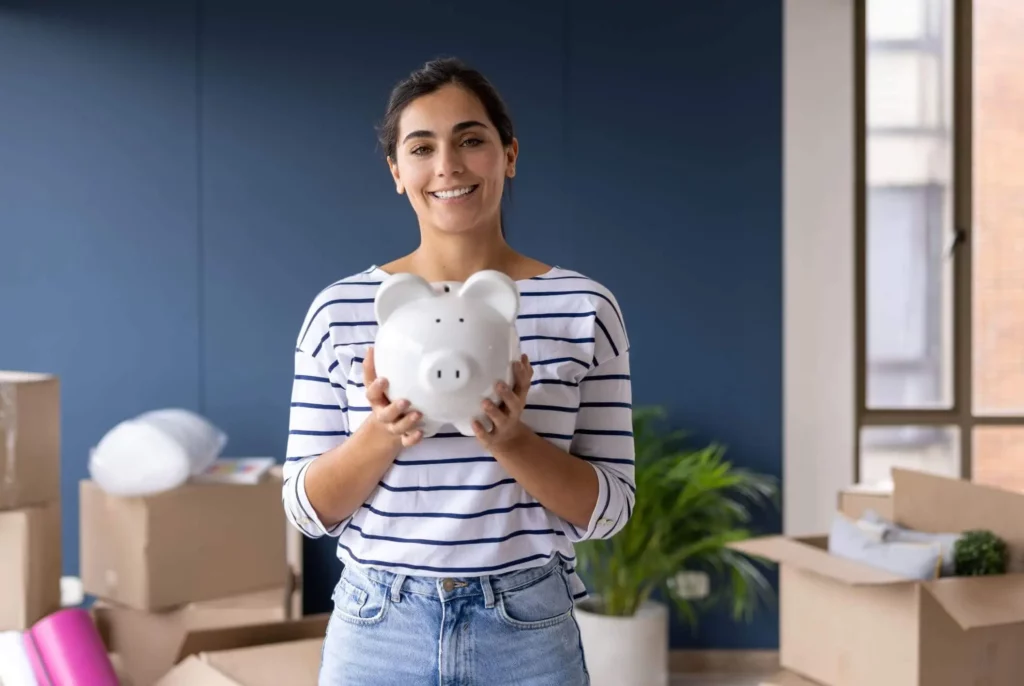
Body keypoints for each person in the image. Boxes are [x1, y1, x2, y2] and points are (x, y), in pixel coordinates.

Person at [282, 57, 635, 686]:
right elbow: (307, 510)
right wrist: (382, 433)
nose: (448, 165)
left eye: (471, 139)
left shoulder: (585, 307)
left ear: (509, 154)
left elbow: (609, 511)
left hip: (526, 626)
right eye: (422, 147)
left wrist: (511, 440)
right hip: (378, 628)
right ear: (397, 171)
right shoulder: (339, 311)